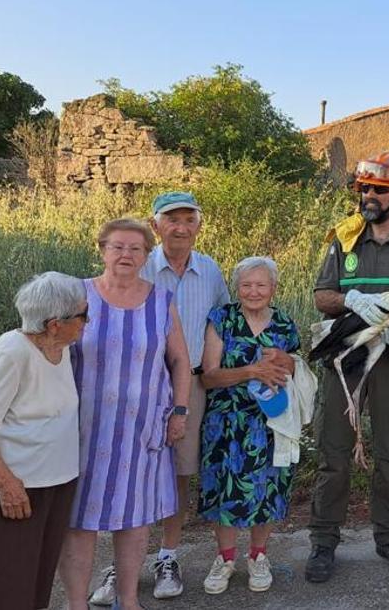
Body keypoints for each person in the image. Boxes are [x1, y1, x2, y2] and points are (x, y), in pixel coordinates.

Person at [87, 191, 236, 604]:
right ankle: (121, 563)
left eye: (189, 219)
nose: (181, 227)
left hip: (191, 384)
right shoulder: (139, 263)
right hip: (137, 385)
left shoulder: (209, 271)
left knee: (179, 471)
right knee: (127, 472)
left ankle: (167, 555)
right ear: (156, 226)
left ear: (199, 226)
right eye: (172, 219)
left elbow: (224, 323)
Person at [306, 152, 389, 583]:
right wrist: (353, 300)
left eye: (379, 189)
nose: (369, 195)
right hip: (348, 358)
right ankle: (324, 543)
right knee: (334, 452)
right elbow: (322, 295)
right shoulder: (343, 240)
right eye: (364, 188)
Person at [59, 218, 192, 610]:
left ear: (146, 256)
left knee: (134, 519)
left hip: (143, 428)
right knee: (78, 520)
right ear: (102, 250)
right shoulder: (78, 295)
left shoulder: (161, 299)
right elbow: (51, 351)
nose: (126, 255)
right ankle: (76, 603)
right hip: (83, 429)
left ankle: (129, 600)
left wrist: (179, 411)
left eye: (136, 249)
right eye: (117, 247)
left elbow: (180, 360)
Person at [0, 272, 88, 610]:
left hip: (56, 482)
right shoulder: (11, 353)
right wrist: (6, 484)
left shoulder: (61, 348)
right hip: (16, 489)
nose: (86, 322)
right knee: (8, 588)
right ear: (53, 323)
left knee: (36, 582)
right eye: (82, 315)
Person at [196, 256, 300, 594]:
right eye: (246, 285)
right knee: (225, 488)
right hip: (226, 420)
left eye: (261, 285)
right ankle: (225, 558)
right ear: (236, 288)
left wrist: (286, 363)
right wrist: (251, 372)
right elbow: (209, 377)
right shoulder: (222, 319)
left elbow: (297, 370)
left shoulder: (284, 325)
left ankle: (258, 556)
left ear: (273, 289)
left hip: (270, 421)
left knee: (267, 488)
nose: (253, 291)